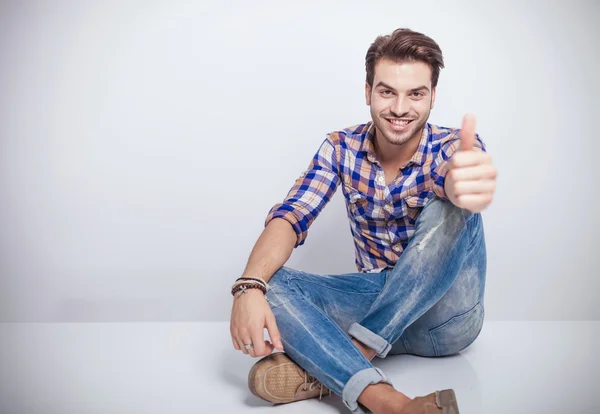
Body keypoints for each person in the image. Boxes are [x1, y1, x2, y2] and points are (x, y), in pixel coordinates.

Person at [229, 28, 497, 414]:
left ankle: (350, 354)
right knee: (268, 279)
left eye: (416, 94)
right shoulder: (340, 147)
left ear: (433, 97)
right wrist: (248, 286)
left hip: (445, 320)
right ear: (368, 91)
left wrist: (461, 186)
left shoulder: (454, 147)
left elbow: (456, 181)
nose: (400, 108)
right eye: (387, 91)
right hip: (372, 300)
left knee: (451, 206)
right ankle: (385, 400)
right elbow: (292, 216)